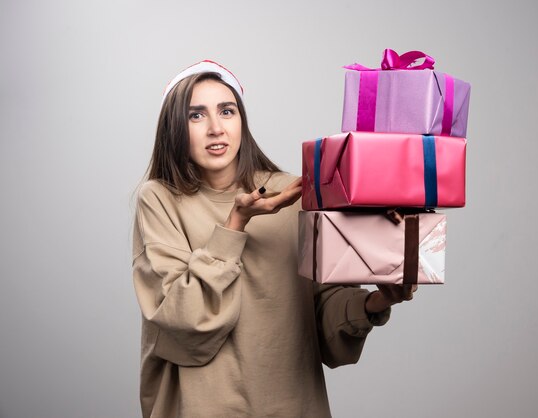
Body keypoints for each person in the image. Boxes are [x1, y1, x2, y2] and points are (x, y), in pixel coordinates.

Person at [132, 60, 415, 418]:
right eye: (196, 116)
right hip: (202, 406)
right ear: (174, 127)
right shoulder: (159, 199)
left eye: (227, 111)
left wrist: (375, 303)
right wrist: (236, 223)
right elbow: (182, 320)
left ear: (242, 121)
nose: (216, 128)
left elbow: (320, 314)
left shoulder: (291, 193)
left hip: (290, 403)